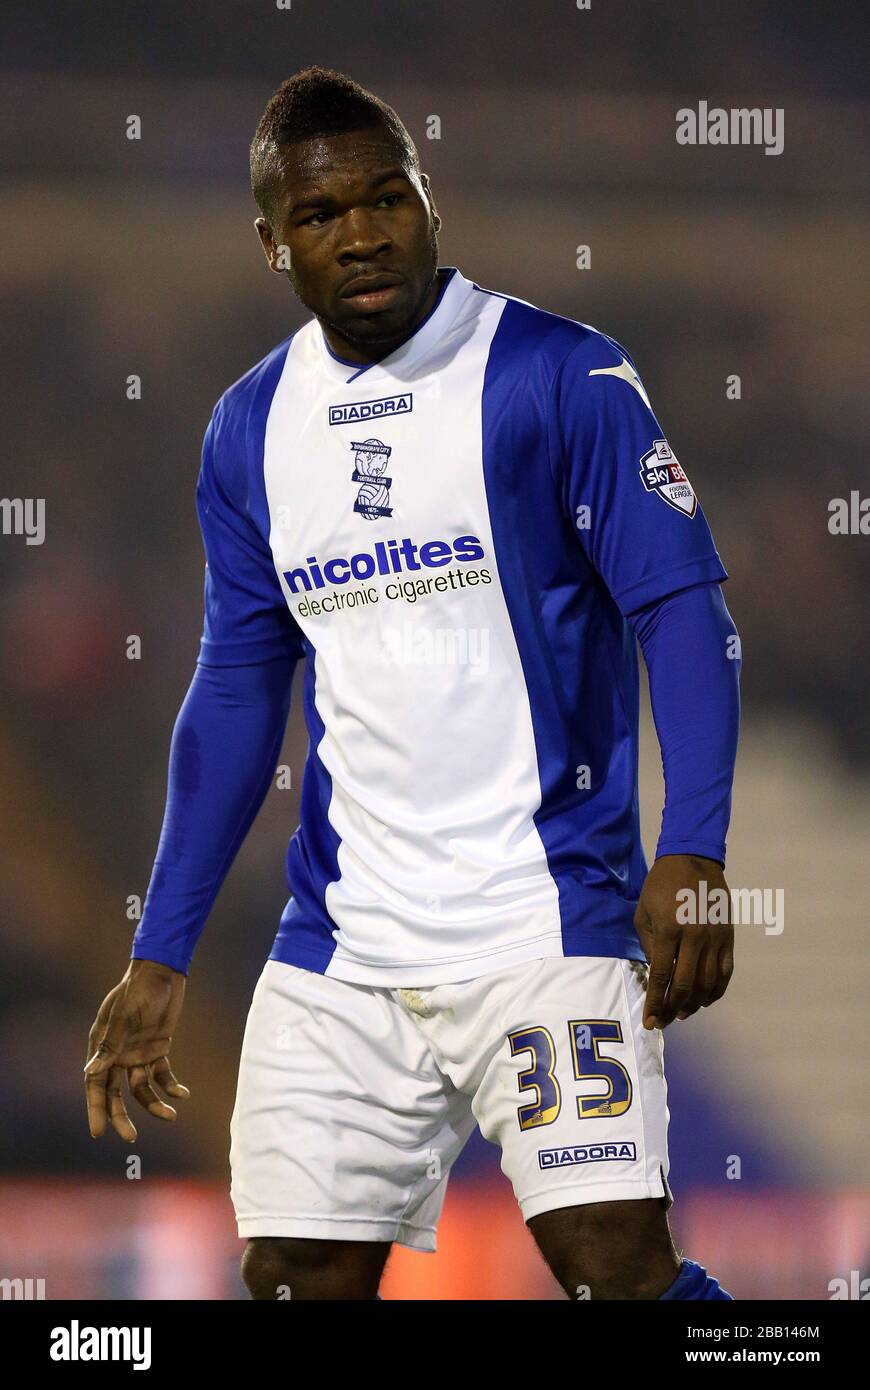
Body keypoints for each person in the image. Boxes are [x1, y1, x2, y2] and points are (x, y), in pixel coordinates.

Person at [85, 66, 740, 1302]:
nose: (365, 232)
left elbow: (682, 609)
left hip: (545, 928)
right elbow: (235, 687)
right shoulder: (249, 429)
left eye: (389, 198)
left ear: (428, 200)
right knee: (288, 1278)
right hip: (343, 947)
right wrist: (161, 950)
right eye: (324, 215)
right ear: (274, 240)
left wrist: (695, 853)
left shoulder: (559, 375)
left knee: (616, 1267)